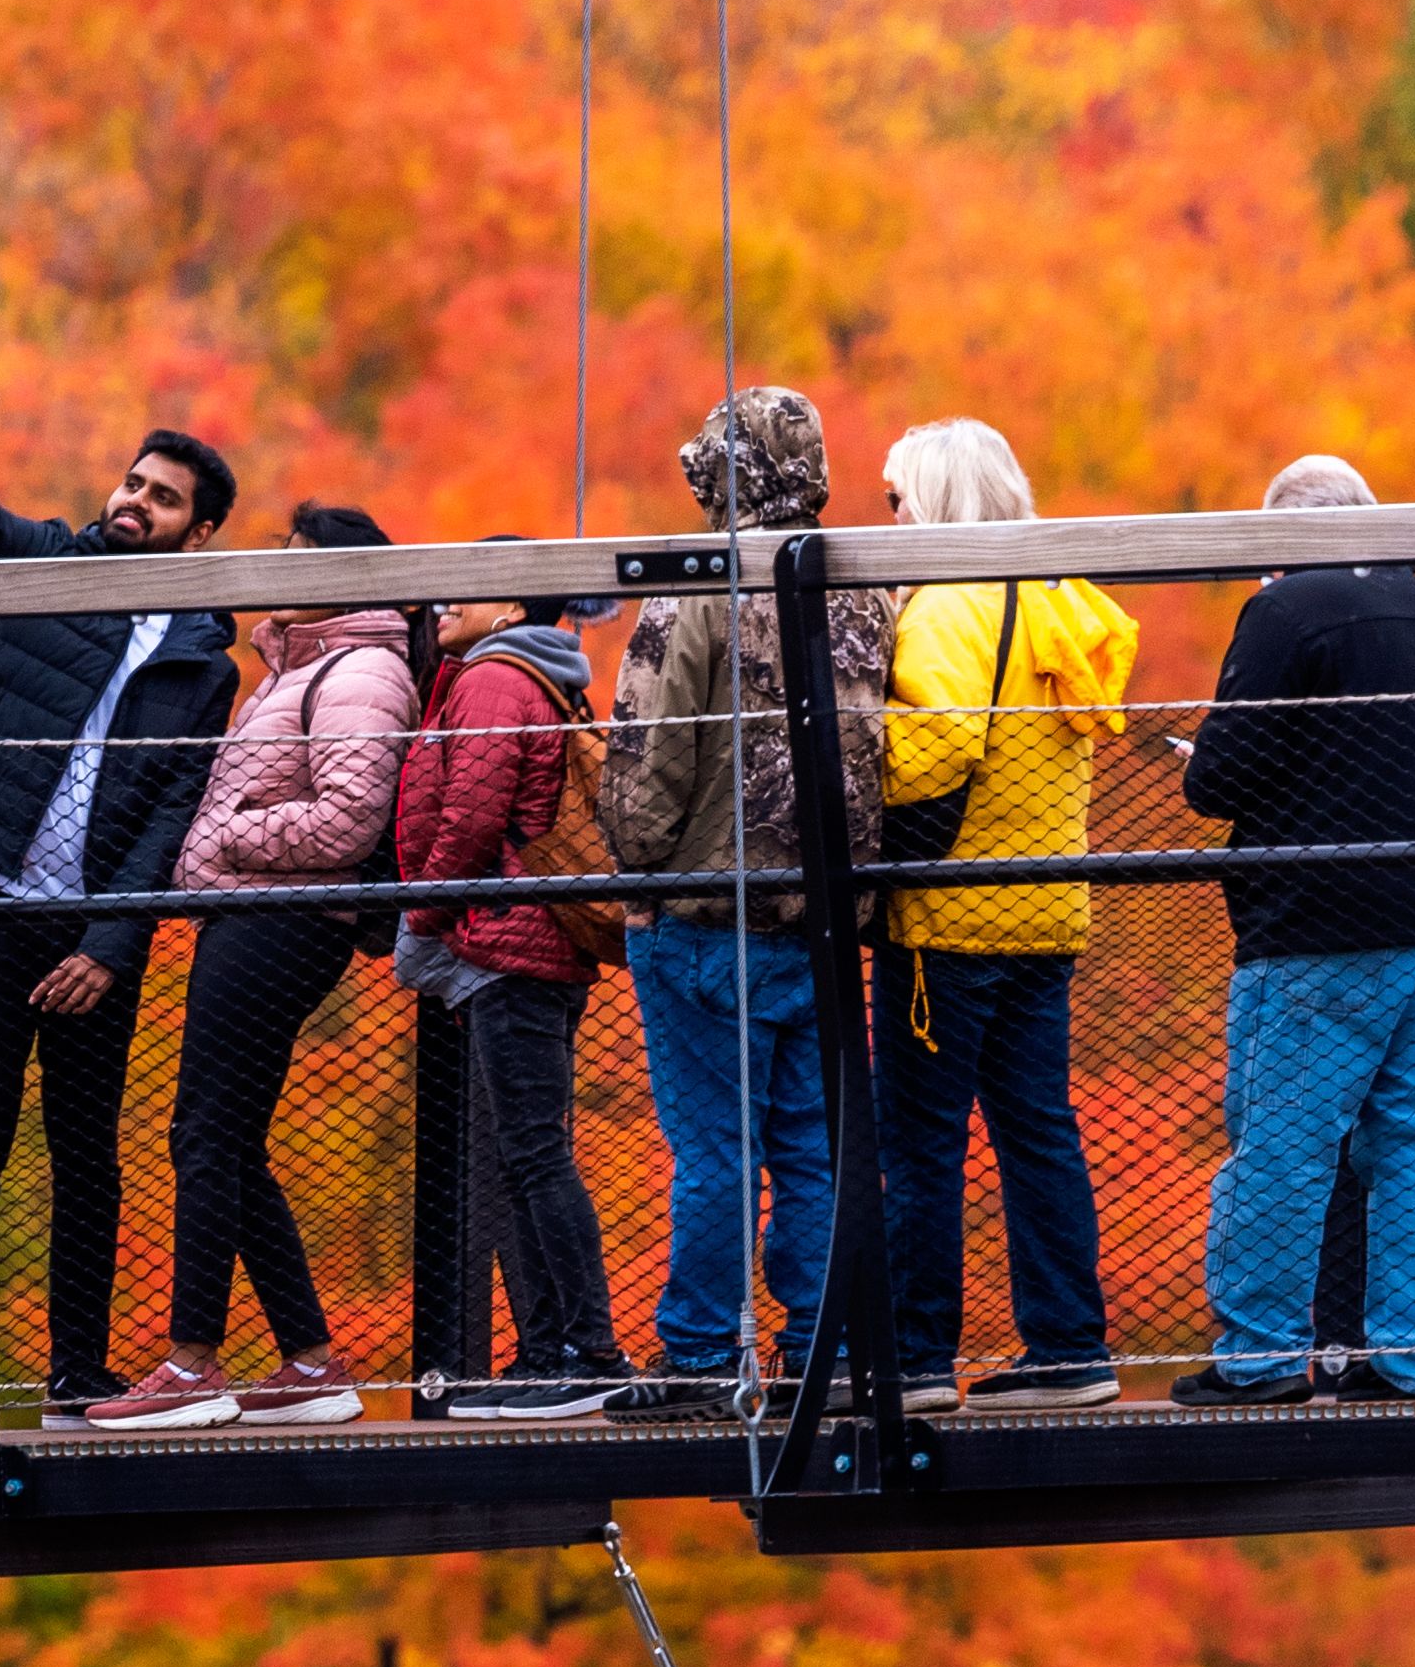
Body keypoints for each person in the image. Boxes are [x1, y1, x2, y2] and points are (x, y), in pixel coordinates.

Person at [0, 360, 242, 1420]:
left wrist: (109, 946)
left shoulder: (204, 661)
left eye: (163, 498)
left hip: (90, 935)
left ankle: (76, 1375)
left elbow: (171, 816)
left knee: (87, 1156)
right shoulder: (40, 562)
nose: (135, 503)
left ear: (199, 533)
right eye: (133, 483)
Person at [91, 506, 423, 1433]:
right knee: (227, 1140)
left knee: (202, 1134)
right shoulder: (303, 668)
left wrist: (227, 840)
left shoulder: (362, 671)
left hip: (281, 920)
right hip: (257, 915)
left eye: (298, 559)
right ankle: (309, 1363)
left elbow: (348, 819)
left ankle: (192, 1366)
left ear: (343, 578)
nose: (277, 572)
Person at [598, 387, 890, 1422]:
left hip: (703, 914)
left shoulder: (696, 583)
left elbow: (647, 751)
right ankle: (821, 1351)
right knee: (810, 1147)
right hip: (825, 918)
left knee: (717, 1150)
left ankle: (699, 1354)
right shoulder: (863, 586)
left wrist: (638, 871)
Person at [1177, 452, 1415, 1406]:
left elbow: (1218, 778)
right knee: (1414, 1135)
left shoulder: (1285, 612)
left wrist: (1205, 758)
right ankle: (1411, 1353)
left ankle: (1260, 1355)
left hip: (1318, 919)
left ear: (1284, 535)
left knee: (1282, 1140)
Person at [871, 419, 1142, 1416]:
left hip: (946, 922)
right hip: (1046, 909)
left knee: (921, 1145)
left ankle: (915, 1357)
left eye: (896, 499)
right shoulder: (1058, 598)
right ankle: (1070, 1345)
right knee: (1039, 1133)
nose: (887, 519)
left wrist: (858, 747)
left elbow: (935, 749)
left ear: (934, 500)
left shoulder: (948, 605)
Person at [386, 549, 632, 1422]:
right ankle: (545, 1351)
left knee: (531, 1153)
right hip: (526, 940)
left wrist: (422, 914)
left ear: (512, 608)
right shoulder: (534, 677)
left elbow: (471, 815)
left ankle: (588, 1352)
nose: (444, 600)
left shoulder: (493, 680)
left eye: (471, 584)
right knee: (522, 1153)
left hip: (507, 945)